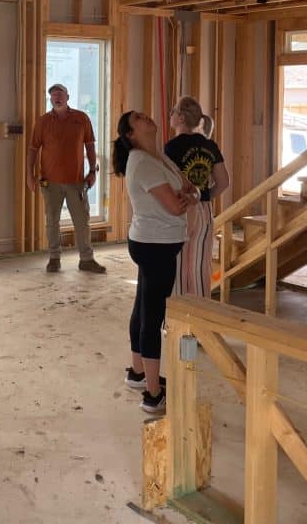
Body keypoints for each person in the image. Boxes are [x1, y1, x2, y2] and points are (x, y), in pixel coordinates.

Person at [112, 110, 198, 414]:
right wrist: (187, 198)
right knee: (152, 315)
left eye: (147, 115)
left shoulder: (160, 157)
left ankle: (138, 373)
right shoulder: (144, 162)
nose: (148, 117)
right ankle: (152, 393)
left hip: (155, 243)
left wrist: (187, 195)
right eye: (139, 118)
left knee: (143, 306)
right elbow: (177, 205)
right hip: (154, 246)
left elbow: (187, 188)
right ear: (131, 134)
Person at [27, 84, 106, 274]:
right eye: (53, 95)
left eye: (60, 94)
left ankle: (86, 259)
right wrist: (30, 175)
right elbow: (33, 149)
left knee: (81, 221)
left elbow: (90, 145)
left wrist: (93, 171)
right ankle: (54, 259)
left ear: (68, 96)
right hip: (50, 182)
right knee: (52, 221)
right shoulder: (43, 122)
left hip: (76, 182)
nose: (57, 98)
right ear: (50, 99)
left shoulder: (81, 119)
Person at [165, 97, 230, 298]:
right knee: (200, 266)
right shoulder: (210, 145)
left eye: (173, 111)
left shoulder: (172, 147)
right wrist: (204, 196)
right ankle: (201, 320)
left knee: (177, 266)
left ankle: (176, 319)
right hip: (204, 211)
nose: (171, 115)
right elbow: (224, 182)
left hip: (180, 209)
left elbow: (167, 183)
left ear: (181, 118)